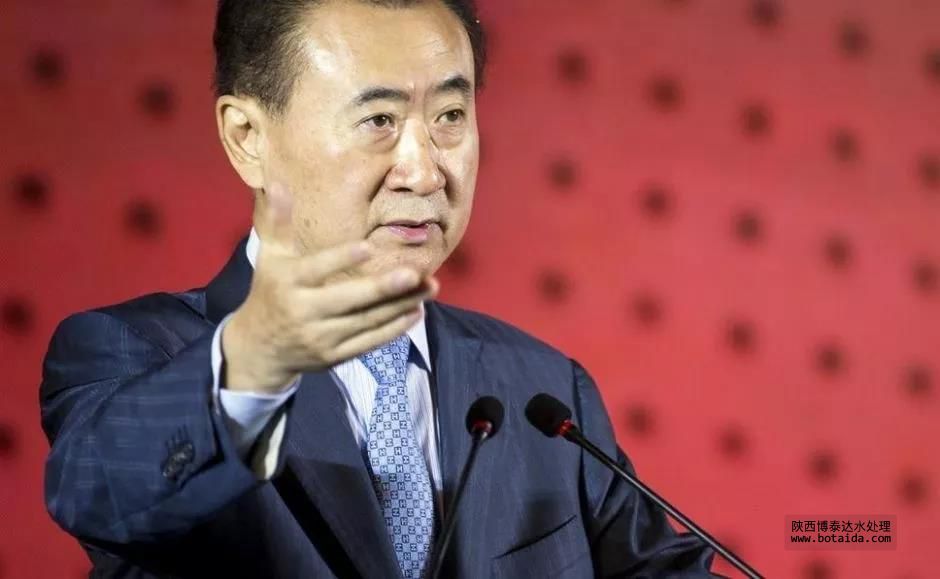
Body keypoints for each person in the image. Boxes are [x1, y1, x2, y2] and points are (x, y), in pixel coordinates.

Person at [40, 0, 718, 577]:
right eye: (379, 121)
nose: (424, 171)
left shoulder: (542, 388)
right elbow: (96, 491)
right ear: (248, 138)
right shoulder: (136, 351)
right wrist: (252, 363)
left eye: (450, 115)